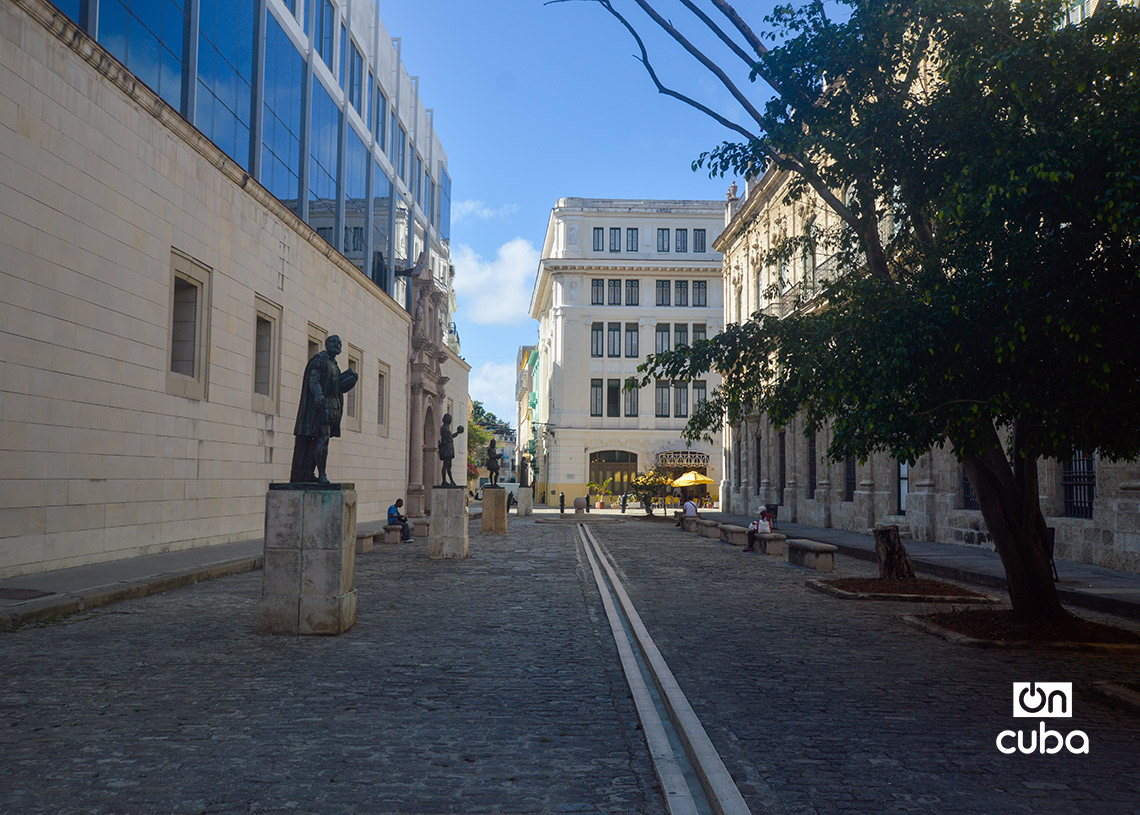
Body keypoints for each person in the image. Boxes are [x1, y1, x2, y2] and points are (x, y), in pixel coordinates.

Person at [290, 335, 358, 484]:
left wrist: (349, 380)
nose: (337, 345)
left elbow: (336, 385)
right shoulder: (319, 361)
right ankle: (321, 474)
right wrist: (319, 394)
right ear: (327, 344)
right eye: (334, 342)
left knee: (320, 440)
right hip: (322, 406)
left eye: (339, 343)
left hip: (334, 406)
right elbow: (313, 380)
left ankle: (310, 472)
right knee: (322, 438)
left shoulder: (333, 364)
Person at [438, 413, 464, 487]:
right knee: (446, 465)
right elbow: (445, 439)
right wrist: (443, 446)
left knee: (448, 465)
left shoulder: (446, 427)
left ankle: (451, 481)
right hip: (447, 448)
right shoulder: (444, 428)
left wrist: (457, 433)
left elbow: (450, 437)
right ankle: (445, 481)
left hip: (448, 447)